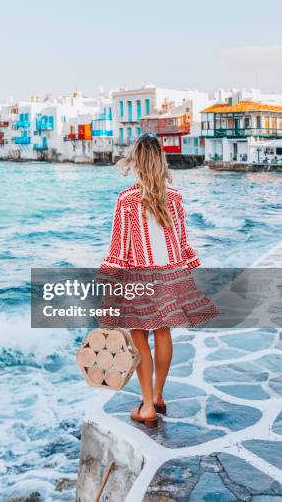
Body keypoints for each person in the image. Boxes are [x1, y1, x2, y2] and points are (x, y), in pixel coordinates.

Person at [99, 134, 217, 428]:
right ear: (161, 160)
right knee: (163, 332)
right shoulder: (174, 197)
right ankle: (159, 396)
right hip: (170, 275)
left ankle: (148, 404)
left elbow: (119, 250)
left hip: (139, 277)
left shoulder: (127, 200)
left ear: (137, 161)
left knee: (139, 337)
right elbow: (181, 242)